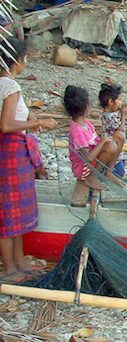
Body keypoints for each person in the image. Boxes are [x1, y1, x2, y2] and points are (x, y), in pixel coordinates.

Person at [0, 38, 56, 280]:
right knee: (10, 212)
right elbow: (7, 124)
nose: (26, 62)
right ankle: (11, 269)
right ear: (16, 62)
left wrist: (30, 117)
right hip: (10, 154)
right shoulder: (11, 86)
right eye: (25, 59)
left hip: (10, 154)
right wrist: (38, 122)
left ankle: (19, 262)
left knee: (14, 210)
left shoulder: (4, 85)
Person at [64, 86, 118, 205]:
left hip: (90, 162)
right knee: (109, 146)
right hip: (82, 167)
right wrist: (103, 141)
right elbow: (87, 157)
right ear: (86, 107)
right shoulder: (77, 130)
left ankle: (102, 172)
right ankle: (91, 176)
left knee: (112, 145)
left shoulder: (85, 123)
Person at [98, 83, 127, 178]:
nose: (120, 103)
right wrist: (123, 116)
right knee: (118, 173)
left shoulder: (109, 114)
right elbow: (120, 129)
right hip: (115, 152)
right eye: (119, 100)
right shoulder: (109, 116)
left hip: (116, 150)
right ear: (111, 101)